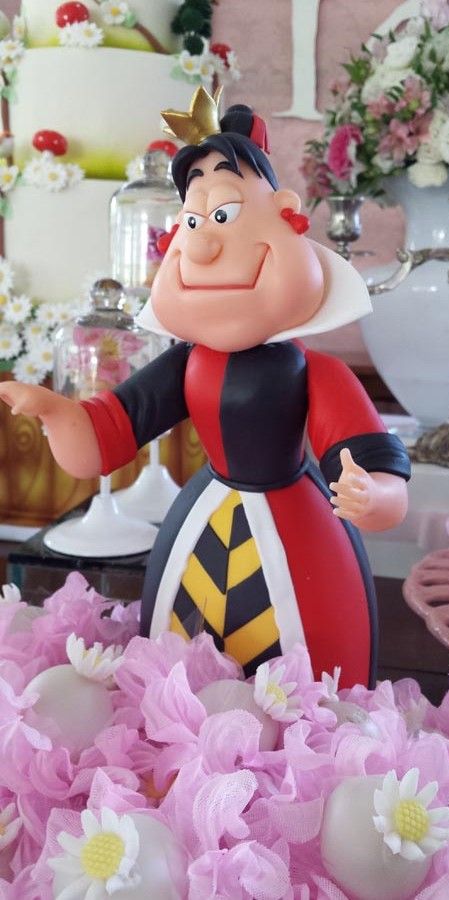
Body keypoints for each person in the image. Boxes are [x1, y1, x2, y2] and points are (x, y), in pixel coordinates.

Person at [0, 88, 410, 687]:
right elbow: (112, 429)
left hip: (300, 537)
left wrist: (371, 494)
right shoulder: (187, 363)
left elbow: (372, 461)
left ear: (288, 215)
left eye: (223, 216)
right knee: (180, 670)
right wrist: (59, 413)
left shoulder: (313, 372)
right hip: (201, 530)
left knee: (314, 677)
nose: (202, 243)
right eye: (191, 222)